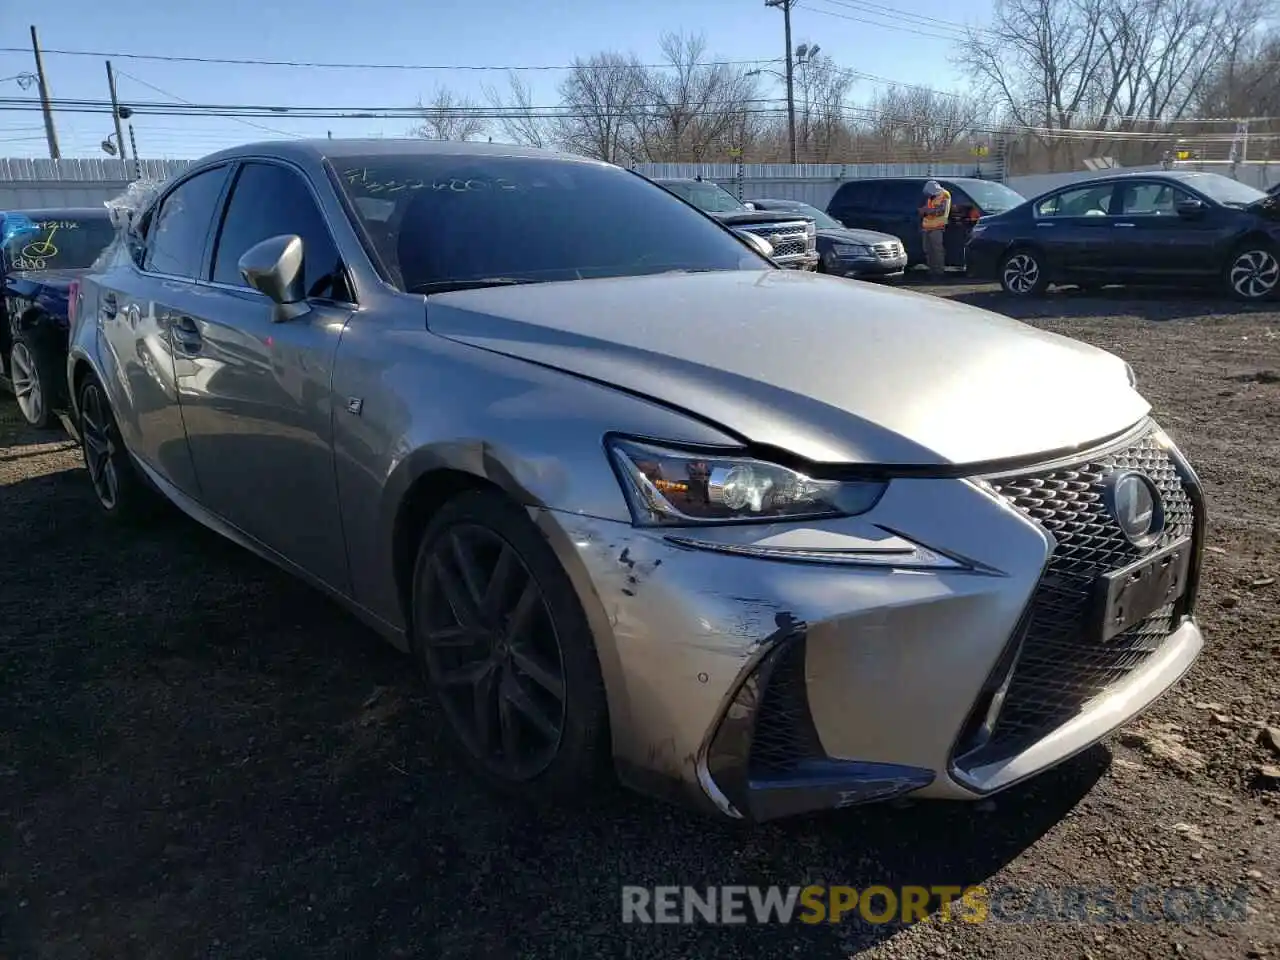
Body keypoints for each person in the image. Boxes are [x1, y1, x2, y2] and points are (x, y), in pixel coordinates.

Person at [918, 180, 951, 279]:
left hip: (937, 227)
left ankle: (939, 271)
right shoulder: (930, 195)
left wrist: (927, 211)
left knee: (937, 250)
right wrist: (922, 211)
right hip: (927, 226)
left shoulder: (945, 195)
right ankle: (931, 270)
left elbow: (942, 210)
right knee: (928, 249)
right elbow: (927, 208)